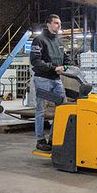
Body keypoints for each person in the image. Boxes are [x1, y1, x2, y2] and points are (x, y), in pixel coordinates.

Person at [30, 14, 72, 152]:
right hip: (43, 79)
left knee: (62, 108)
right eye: (55, 23)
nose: (58, 25)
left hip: (56, 79)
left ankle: (55, 138)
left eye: (59, 23)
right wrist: (54, 68)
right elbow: (35, 62)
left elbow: (65, 59)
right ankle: (40, 140)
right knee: (41, 110)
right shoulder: (39, 40)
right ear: (48, 24)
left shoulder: (59, 42)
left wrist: (70, 66)